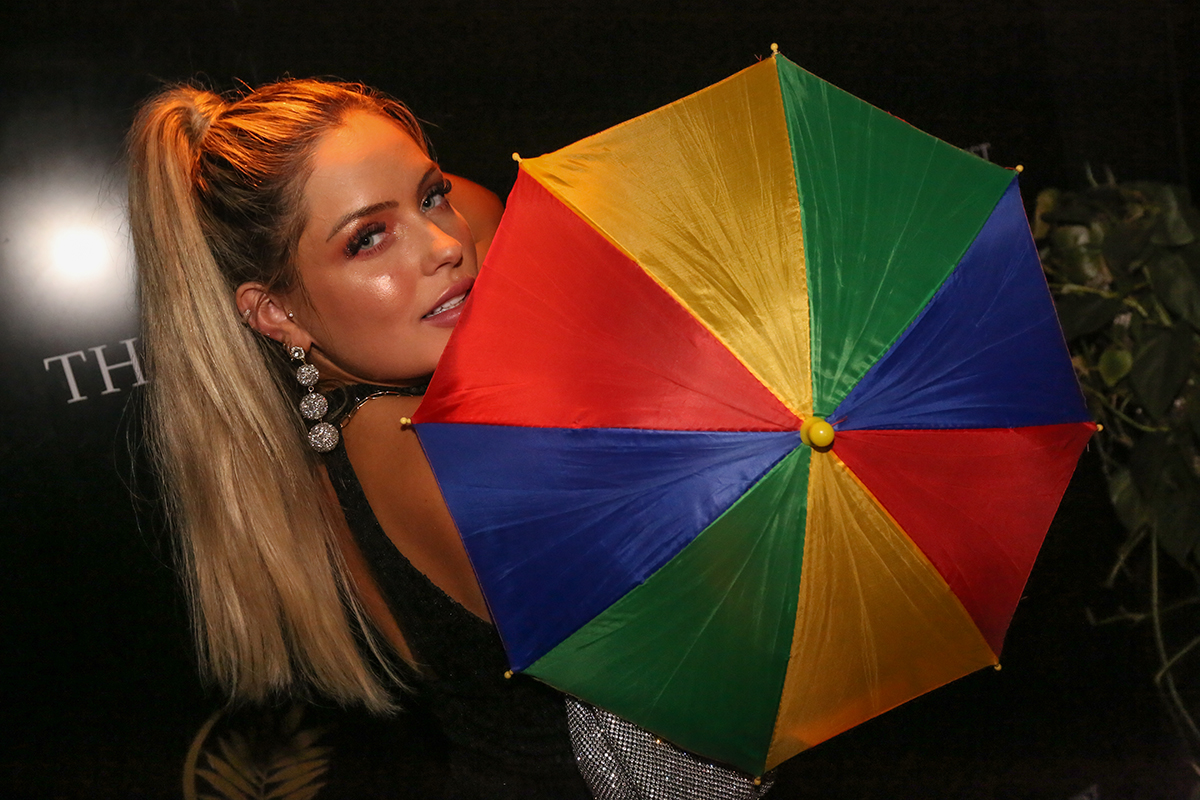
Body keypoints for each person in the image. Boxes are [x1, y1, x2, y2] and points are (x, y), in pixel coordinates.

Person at [129, 77, 776, 799]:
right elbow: (707, 737)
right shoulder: (442, 455)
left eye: (431, 196)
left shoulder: (340, 443)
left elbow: (481, 211)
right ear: (275, 313)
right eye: (368, 239)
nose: (444, 246)